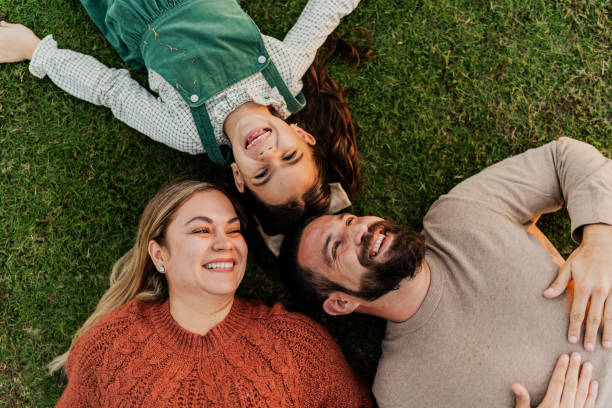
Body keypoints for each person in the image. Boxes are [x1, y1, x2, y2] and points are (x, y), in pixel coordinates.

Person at [280, 137, 612, 407]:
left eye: (350, 220)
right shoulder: (401, 393)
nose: (361, 230)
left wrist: (600, 236)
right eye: (337, 248)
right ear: (340, 303)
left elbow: (562, 160)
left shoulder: (458, 216)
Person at [0, 0, 366, 235]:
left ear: (239, 176)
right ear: (303, 135)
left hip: (128, 11)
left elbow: (112, 91)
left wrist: (38, 53)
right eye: (289, 156)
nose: (268, 153)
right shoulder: (283, 73)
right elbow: (324, 12)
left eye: (262, 173)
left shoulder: (188, 133)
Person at [50, 180, 373, 407]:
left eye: (234, 230)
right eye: (201, 230)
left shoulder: (296, 343)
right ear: (160, 255)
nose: (224, 243)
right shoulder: (108, 345)